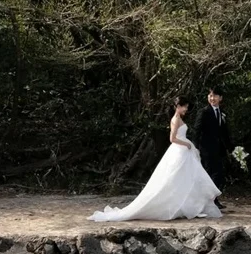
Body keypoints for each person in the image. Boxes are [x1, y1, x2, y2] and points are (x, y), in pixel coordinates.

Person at [88, 96, 222, 222]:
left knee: (186, 178)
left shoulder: (179, 118)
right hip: (179, 151)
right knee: (174, 178)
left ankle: (188, 205)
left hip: (184, 152)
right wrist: (186, 143)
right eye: (185, 106)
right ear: (178, 106)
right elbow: (172, 139)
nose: (186, 109)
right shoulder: (175, 119)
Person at [194, 85, 234, 210]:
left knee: (219, 175)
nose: (212, 98)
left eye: (215, 96)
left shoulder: (222, 113)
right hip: (206, 149)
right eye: (210, 96)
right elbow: (197, 130)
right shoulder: (204, 112)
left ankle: (212, 200)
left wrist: (232, 149)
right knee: (212, 174)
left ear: (220, 98)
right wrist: (196, 147)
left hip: (219, 149)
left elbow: (225, 133)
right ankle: (209, 200)